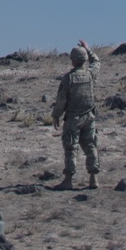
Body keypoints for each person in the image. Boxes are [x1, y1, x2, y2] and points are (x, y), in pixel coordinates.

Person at [52, 39, 100, 189]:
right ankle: (93, 178)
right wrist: (88, 49)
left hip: (73, 119)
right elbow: (97, 61)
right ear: (84, 59)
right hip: (89, 117)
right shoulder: (90, 74)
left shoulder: (68, 78)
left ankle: (68, 181)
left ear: (72, 61)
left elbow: (61, 100)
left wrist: (55, 115)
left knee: (71, 148)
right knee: (91, 146)